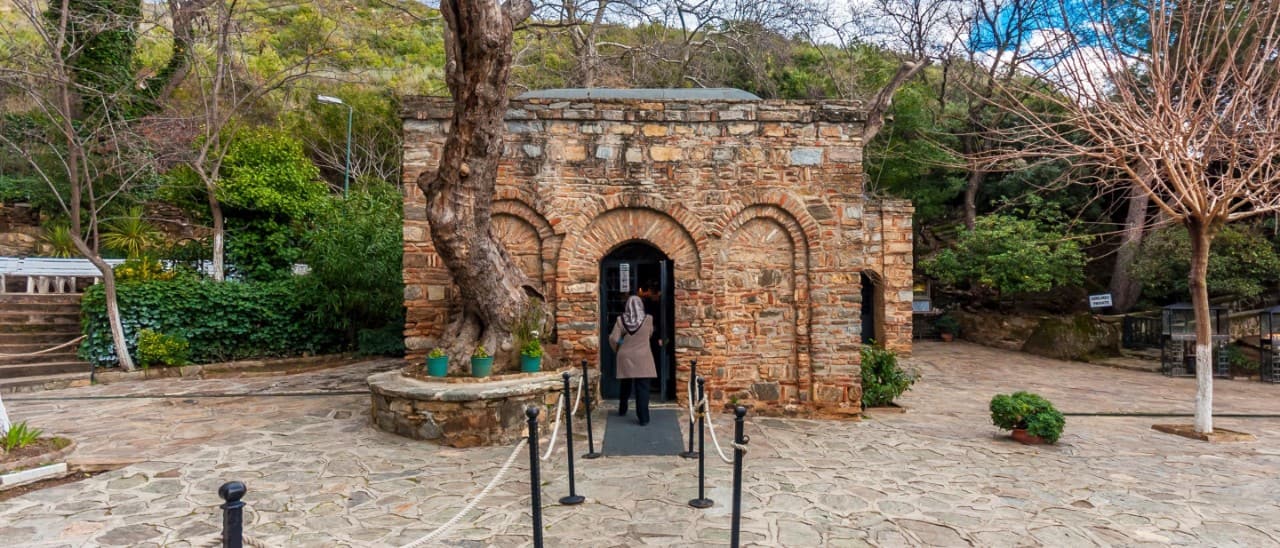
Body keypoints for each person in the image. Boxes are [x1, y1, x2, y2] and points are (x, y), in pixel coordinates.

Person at [610, 294, 657, 425]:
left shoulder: (620, 320)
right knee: (642, 388)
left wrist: (618, 349)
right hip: (643, 357)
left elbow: (613, 338)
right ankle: (643, 418)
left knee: (625, 384)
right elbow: (650, 333)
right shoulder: (648, 319)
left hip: (625, 356)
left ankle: (622, 409)